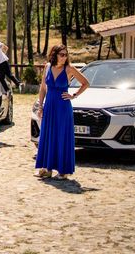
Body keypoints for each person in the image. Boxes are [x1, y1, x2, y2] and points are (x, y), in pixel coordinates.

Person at [35, 45, 89, 179]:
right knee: (47, 135)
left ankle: (63, 170)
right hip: (49, 106)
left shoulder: (69, 69)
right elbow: (43, 88)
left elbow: (86, 83)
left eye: (66, 55)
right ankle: (47, 168)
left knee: (61, 136)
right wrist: (40, 106)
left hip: (63, 107)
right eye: (62, 54)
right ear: (54, 55)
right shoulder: (47, 67)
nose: (65, 57)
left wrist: (74, 95)